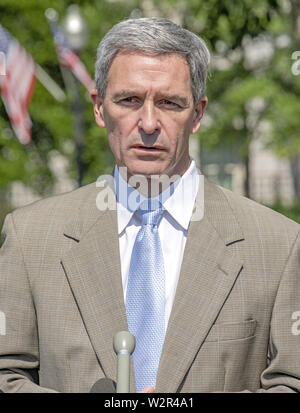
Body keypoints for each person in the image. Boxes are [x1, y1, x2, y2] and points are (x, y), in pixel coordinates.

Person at [0, 17, 300, 394]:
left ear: (198, 114)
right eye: (128, 100)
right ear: (98, 107)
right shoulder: (31, 239)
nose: (148, 122)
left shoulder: (278, 245)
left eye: (170, 103)